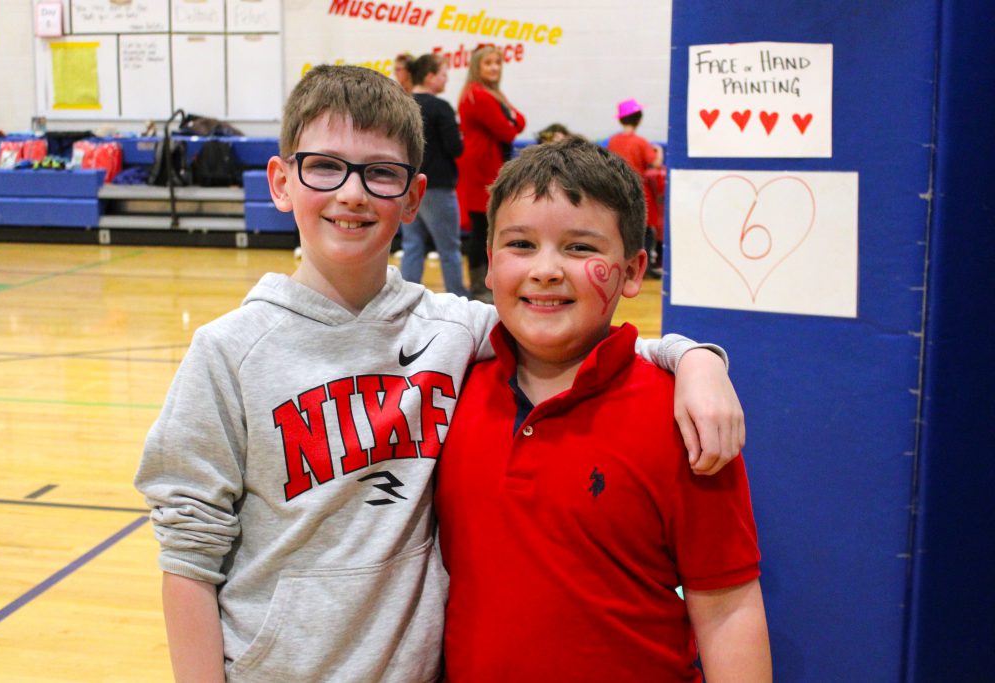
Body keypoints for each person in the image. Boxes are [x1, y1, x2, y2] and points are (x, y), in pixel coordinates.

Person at [135, 65, 745, 682]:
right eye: (325, 166)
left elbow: (573, 331)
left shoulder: (452, 330)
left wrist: (695, 358)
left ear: (412, 197)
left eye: (380, 173)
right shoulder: (227, 353)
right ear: (281, 181)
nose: (352, 193)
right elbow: (189, 559)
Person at [437, 138, 771, 681]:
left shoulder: (685, 418)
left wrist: (696, 359)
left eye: (579, 248)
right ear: (490, 264)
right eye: (520, 244)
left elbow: (729, 609)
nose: (546, 270)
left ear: (633, 271)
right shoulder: (449, 393)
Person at [456, 45, 526, 302]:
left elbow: (519, 121)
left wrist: (511, 118)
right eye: (488, 63)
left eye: (498, 63)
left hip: (487, 165)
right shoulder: (480, 96)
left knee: (484, 226)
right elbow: (509, 130)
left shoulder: (489, 94)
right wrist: (510, 118)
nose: (494, 68)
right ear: (477, 67)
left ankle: (484, 282)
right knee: (481, 227)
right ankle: (479, 286)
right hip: (480, 168)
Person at [400, 53, 468, 297]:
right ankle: (458, 296)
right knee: (449, 248)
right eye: (443, 75)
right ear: (430, 77)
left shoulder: (402, 103)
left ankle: (406, 296)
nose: (446, 80)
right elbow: (455, 148)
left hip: (406, 185)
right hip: (437, 186)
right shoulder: (441, 107)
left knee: (412, 245)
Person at [607, 97, 665, 278]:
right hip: (639, 190)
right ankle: (643, 267)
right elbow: (654, 163)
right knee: (645, 229)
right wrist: (659, 151)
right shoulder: (641, 142)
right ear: (639, 119)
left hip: (616, 190)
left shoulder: (613, 141)